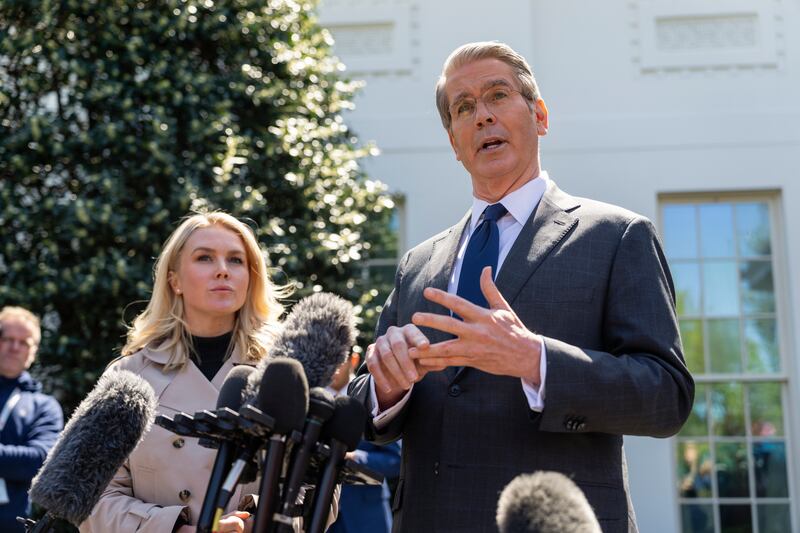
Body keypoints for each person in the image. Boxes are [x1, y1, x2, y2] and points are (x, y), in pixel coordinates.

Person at [348, 41, 695, 533]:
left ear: (540, 116)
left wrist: (535, 360)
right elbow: (368, 408)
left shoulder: (617, 237)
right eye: (463, 108)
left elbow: (667, 397)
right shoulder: (417, 265)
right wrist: (386, 387)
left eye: (498, 96)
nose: (482, 116)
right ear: (453, 141)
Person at [80, 211, 315, 533]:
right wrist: (177, 529)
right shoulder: (127, 376)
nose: (222, 271)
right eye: (205, 258)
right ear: (174, 279)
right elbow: (91, 498)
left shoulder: (286, 372)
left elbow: (320, 487)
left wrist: (256, 522)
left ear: (251, 276)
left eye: (235, 260)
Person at [0, 306, 64, 532]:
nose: (14, 347)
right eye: (8, 339)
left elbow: (40, 460)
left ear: (33, 351)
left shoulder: (43, 407)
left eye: (24, 342)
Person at [327, 354, 400, 533]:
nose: (333, 368)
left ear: (353, 359)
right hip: (322, 515)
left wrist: (354, 458)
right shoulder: (314, 400)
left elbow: (396, 461)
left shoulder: (372, 396)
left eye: (338, 360)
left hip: (366, 517)